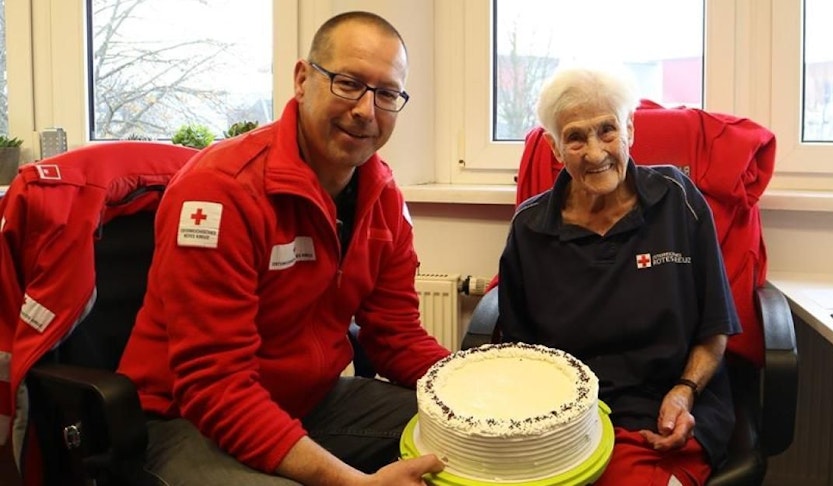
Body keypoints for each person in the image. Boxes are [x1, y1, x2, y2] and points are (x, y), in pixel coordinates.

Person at [117, 11, 448, 485]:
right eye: (348, 83)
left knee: (464, 436)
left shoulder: (385, 200)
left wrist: (477, 387)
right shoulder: (220, 191)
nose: (366, 110)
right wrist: (350, 482)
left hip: (305, 403)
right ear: (302, 79)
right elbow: (216, 387)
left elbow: (396, 336)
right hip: (184, 421)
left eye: (387, 93)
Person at [497, 66, 740, 485]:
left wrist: (685, 391)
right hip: (570, 420)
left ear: (630, 129)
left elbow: (714, 328)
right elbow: (520, 355)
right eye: (575, 137)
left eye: (607, 130)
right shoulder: (530, 227)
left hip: (668, 409)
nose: (595, 153)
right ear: (556, 149)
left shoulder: (679, 200)